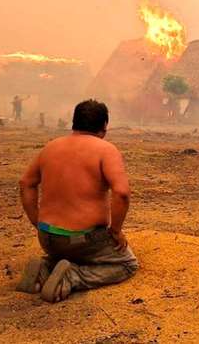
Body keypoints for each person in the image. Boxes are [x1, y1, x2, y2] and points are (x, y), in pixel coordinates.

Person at [16, 99, 138, 303]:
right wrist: (116, 231)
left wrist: (36, 222)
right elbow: (122, 192)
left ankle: (45, 269)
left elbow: (25, 183)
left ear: (74, 122)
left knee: (67, 253)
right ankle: (73, 276)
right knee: (127, 265)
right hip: (84, 240)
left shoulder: (50, 147)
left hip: (47, 237)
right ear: (104, 126)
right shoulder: (105, 150)